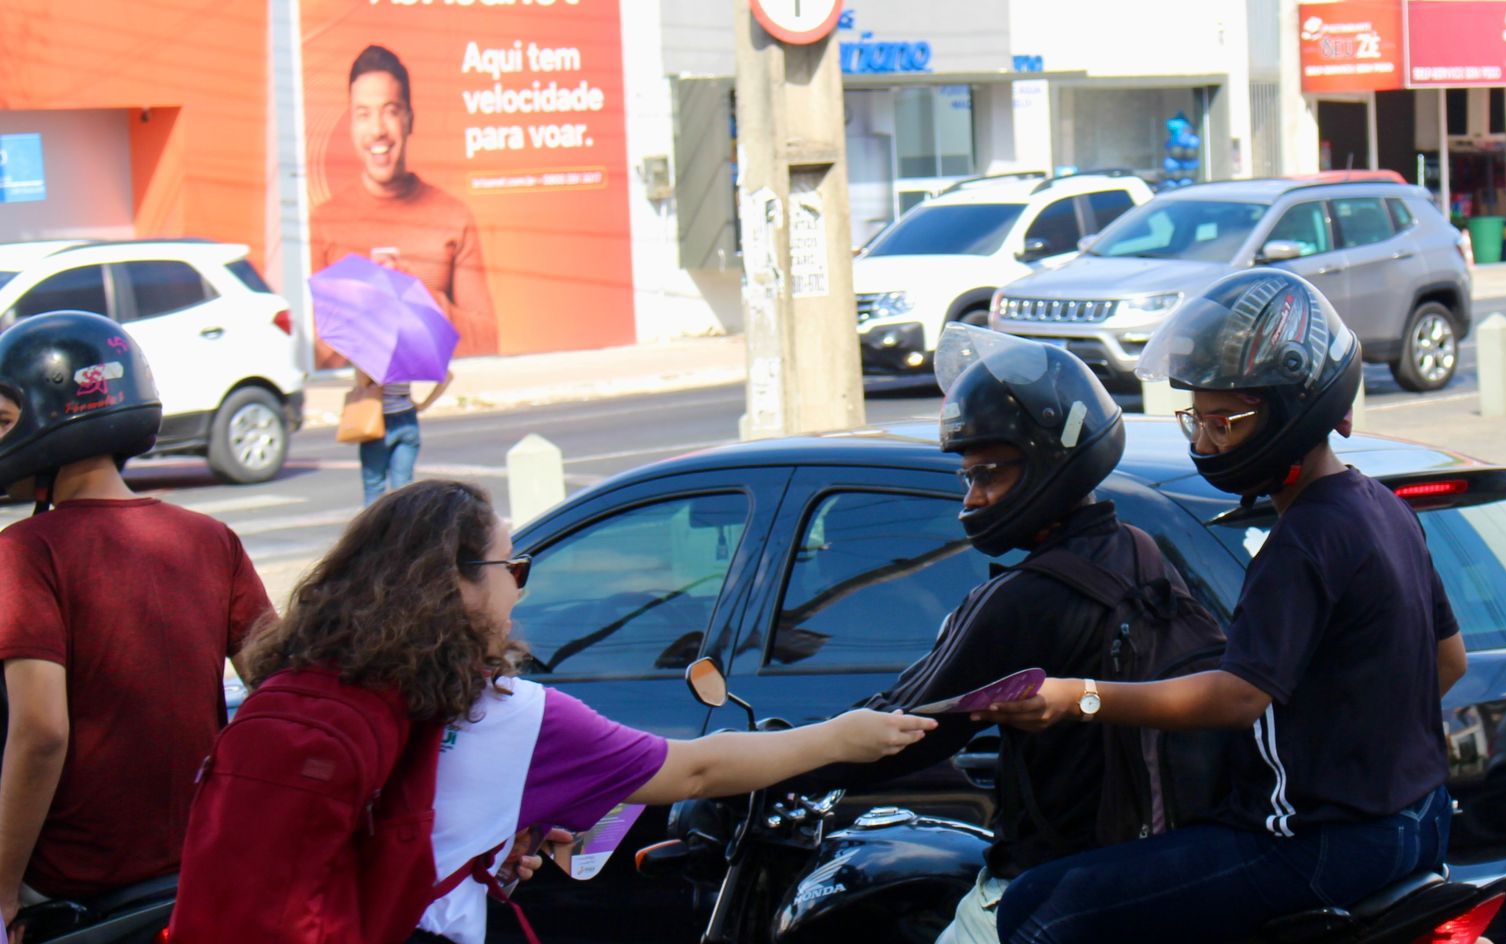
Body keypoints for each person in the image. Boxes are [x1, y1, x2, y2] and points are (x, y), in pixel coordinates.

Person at [171, 480, 935, 944]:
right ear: (460, 586)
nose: (520, 587)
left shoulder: (298, 682)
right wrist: (842, 735)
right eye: (514, 567)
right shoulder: (506, 714)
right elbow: (696, 768)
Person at [977, 270, 1469, 944]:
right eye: (1197, 420)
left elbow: (1238, 698)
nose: (1204, 444)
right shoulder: (1380, 507)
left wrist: (1078, 697)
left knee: (1037, 907)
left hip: (1312, 842)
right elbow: (1449, 659)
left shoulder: (1302, 541)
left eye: (1225, 424)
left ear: (1293, 413)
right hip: (1421, 821)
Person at [797, 324, 1195, 944]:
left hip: (1045, 884)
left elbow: (906, 727)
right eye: (966, 478)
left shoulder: (1026, 598)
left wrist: (776, 762)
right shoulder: (1137, 552)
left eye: (988, 474)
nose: (973, 498)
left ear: (1048, 465)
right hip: (1140, 867)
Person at [0, 312, 272, 936]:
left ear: (53, 417)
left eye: (4, 420)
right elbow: (280, 685)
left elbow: (40, 732)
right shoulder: (210, 537)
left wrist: (4, 891)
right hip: (197, 863)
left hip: (73, 884)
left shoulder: (26, 551)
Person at [311, 44, 497, 360]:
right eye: (363, 114)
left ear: (409, 120)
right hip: (361, 401)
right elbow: (312, 355)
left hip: (434, 397)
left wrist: (421, 299)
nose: (377, 130)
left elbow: (488, 344)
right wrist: (364, 304)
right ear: (352, 126)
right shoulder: (322, 223)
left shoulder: (454, 216)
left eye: (390, 111)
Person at [350, 367, 454, 505]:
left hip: (378, 421)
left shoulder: (375, 357)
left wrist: (360, 366)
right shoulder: (408, 357)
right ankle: (402, 524)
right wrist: (424, 405)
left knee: (374, 486)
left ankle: (373, 525)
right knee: (403, 487)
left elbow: (362, 385)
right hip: (407, 419)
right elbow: (447, 376)